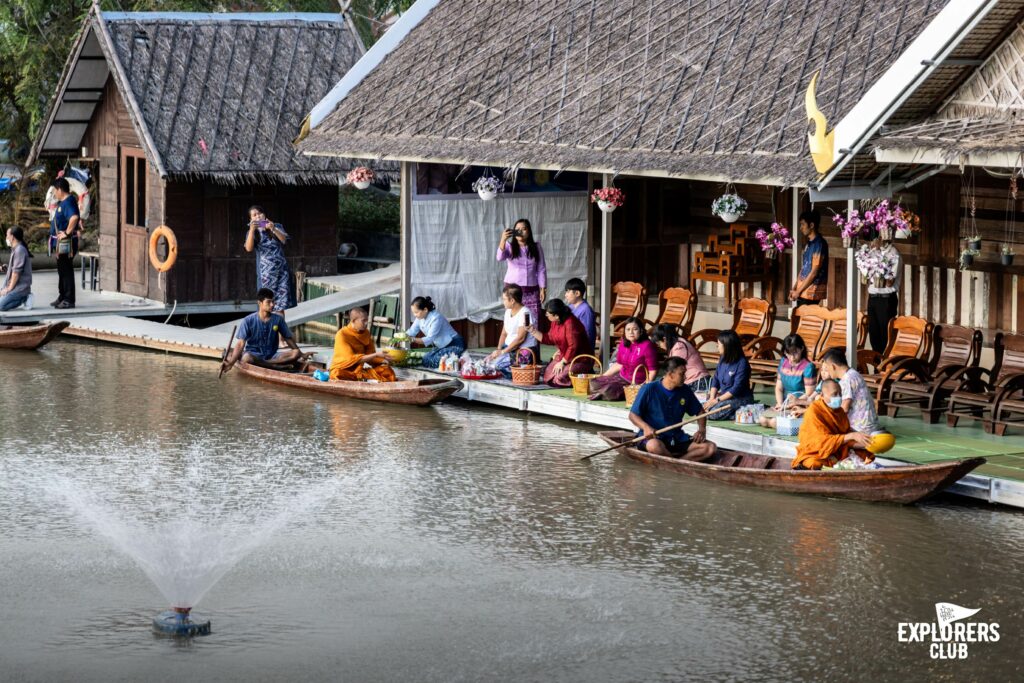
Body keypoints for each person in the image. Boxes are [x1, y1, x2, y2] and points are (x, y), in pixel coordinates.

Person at [629, 356, 718, 460]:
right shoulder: (648, 389)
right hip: (654, 438)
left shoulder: (685, 390)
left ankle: (678, 463)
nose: (685, 377)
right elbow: (633, 415)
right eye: (682, 374)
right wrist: (645, 427)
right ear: (670, 375)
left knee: (710, 448)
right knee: (654, 446)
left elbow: (700, 412)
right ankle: (678, 462)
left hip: (676, 438)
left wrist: (702, 430)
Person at [792, 379, 873, 470]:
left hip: (837, 450)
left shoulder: (840, 411)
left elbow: (845, 438)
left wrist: (865, 443)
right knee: (814, 463)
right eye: (834, 394)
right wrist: (851, 436)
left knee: (867, 454)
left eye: (840, 394)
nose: (838, 397)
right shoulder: (814, 410)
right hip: (816, 452)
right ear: (822, 396)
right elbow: (819, 442)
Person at [221, 288, 305, 372]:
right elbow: (240, 344)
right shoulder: (248, 320)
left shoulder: (278, 319)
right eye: (268, 302)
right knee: (247, 357)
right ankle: (276, 366)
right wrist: (231, 364)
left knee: (296, 353)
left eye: (273, 301)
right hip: (254, 356)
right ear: (259, 303)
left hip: (273, 356)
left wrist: (301, 355)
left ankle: (268, 364)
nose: (272, 305)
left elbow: (288, 339)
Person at [588, 317, 658, 401]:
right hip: (621, 378)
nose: (631, 332)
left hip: (635, 383)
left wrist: (645, 387)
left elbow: (653, 370)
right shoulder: (624, 343)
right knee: (594, 382)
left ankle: (604, 393)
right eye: (628, 329)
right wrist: (603, 376)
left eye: (635, 329)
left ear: (641, 330)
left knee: (609, 389)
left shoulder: (647, 346)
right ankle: (602, 393)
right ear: (624, 331)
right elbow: (619, 364)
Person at [528, 298, 594, 387]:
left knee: (559, 378)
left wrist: (562, 362)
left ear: (556, 316)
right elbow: (549, 338)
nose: (546, 314)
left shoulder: (571, 323)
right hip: (564, 356)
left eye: (548, 313)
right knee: (548, 376)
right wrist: (532, 331)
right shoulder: (555, 322)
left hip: (579, 359)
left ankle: (586, 371)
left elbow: (573, 346)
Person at [818, 347, 883, 436]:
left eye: (827, 368)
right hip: (869, 426)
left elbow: (844, 409)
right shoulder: (853, 374)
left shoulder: (847, 380)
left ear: (833, 366)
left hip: (860, 428)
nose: (827, 371)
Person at [244, 205, 295, 315]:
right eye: (254, 215)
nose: (258, 216)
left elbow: (284, 240)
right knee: (266, 305)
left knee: (280, 305)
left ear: (264, 215)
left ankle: (281, 331)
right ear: (251, 219)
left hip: (282, 272)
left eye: (260, 213)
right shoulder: (253, 232)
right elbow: (248, 248)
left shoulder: (276, 226)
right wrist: (252, 230)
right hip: (266, 275)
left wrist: (273, 228)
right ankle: (267, 331)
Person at [497, 218, 547, 330]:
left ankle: (531, 346)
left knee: (533, 318)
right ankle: (513, 345)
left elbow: (541, 268)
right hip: (512, 289)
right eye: (517, 229)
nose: (520, 232)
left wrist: (543, 288)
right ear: (513, 232)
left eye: (523, 229)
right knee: (514, 318)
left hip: (532, 289)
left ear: (529, 231)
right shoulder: (509, 247)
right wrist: (503, 240)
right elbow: (499, 257)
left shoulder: (536, 247)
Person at [759, 334, 818, 429]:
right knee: (762, 419)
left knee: (774, 422)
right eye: (788, 353)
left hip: (799, 405)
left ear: (802, 348)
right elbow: (779, 388)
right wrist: (780, 403)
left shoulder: (808, 367)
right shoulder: (783, 362)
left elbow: (809, 394)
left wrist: (790, 405)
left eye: (795, 353)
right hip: (784, 404)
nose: (791, 357)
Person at [329, 307, 397, 382]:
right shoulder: (342, 334)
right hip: (344, 370)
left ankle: (363, 379)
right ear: (353, 321)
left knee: (386, 370)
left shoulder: (366, 333)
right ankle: (364, 380)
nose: (366, 323)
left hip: (359, 372)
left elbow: (370, 357)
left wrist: (384, 360)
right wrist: (376, 354)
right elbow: (351, 360)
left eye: (367, 320)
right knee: (336, 374)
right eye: (363, 320)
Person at [486, 284, 539, 378]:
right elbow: (504, 334)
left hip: (522, 352)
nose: (503, 302)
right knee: (488, 362)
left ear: (512, 300)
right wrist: (498, 351)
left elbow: (520, 339)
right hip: (509, 349)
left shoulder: (525, 313)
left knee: (497, 366)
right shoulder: (507, 312)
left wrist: (502, 352)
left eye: (504, 299)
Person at [703, 329, 754, 420]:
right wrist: (711, 398)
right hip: (724, 398)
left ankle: (744, 413)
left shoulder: (742, 363)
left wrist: (716, 400)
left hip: (740, 398)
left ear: (727, 346)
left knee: (712, 413)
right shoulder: (723, 358)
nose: (717, 346)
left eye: (719, 344)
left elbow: (736, 388)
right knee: (703, 408)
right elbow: (715, 379)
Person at [406, 296, 466, 369]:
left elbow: (429, 339)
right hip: (443, 346)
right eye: (413, 313)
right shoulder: (419, 318)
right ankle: (454, 359)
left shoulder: (436, 318)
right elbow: (411, 331)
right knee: (426, 359)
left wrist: (412, 339)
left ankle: (459, 359)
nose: (414, 315)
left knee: (433, 361)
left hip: (455, 344)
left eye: (416, 312)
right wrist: (400, 338)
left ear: (425, 310)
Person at [649, 323, 710, 393]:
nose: (659, 346)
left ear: (664, 339)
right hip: (693, 381)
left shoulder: (679, 347)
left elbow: (673, 371)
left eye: (658, 343)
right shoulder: (678, 343)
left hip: (697, 382)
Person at [49, 177, 80, 309]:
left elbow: (74, 217)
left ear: (60, 189)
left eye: (55, 191)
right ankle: (62, 296)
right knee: (61, 270)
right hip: (60, 244)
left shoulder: (68, 202)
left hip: (66, 243)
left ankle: (69, 299)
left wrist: (67, 233)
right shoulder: (64, 202)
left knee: (66, 271)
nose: (54, 193)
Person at [867, 238, 902, 351]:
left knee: (885, 337)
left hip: (886, 300)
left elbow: (889, 282)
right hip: (873, 298)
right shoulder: (874, 252)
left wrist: (878, 259)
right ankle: (877, 367)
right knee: (873, 336)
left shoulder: (894, 254)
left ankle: (885, 366)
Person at [788, 209, 828, 307]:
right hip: (802, 289)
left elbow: (814, 272)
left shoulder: (819, 244)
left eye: (803, 224)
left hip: (811, 291)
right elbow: (804, 268)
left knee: (806, 320)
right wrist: (795, 288)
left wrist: (798, 291)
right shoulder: (809, 243)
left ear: (811, 225)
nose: (801, 228)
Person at [1, 227, 33, 311]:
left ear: (12, 237)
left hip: (19, 289)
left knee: (0, 306)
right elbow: (15, 268)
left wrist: (8, 289)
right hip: (12, 286)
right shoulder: (16, 249)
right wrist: (7, 268)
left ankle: (25, 298)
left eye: (7, 235)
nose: (6, 238)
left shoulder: (20, 250)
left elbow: (16, 273)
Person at [563, 277, 596, 347]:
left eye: (568, 292)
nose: (565, 295)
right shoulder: (570, 306)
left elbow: (587, 334)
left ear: (577, 293)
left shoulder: (586, 310)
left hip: (581, 349)